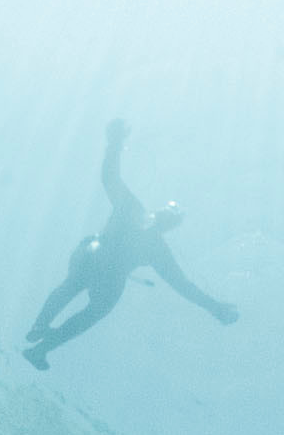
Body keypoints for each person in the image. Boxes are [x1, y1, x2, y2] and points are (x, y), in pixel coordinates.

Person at [23, 120, 237, 370]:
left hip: (95, 261)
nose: (168, 217)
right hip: (102, 267)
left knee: (78, 288)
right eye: (172, 213)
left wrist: (114, 143)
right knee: (90, 301)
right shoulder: (151, 238)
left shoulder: (138, 219)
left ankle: (40, 333)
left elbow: (109, 178)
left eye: (173, 215)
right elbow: (182, 285)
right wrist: (214, 308)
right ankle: (40, 342)